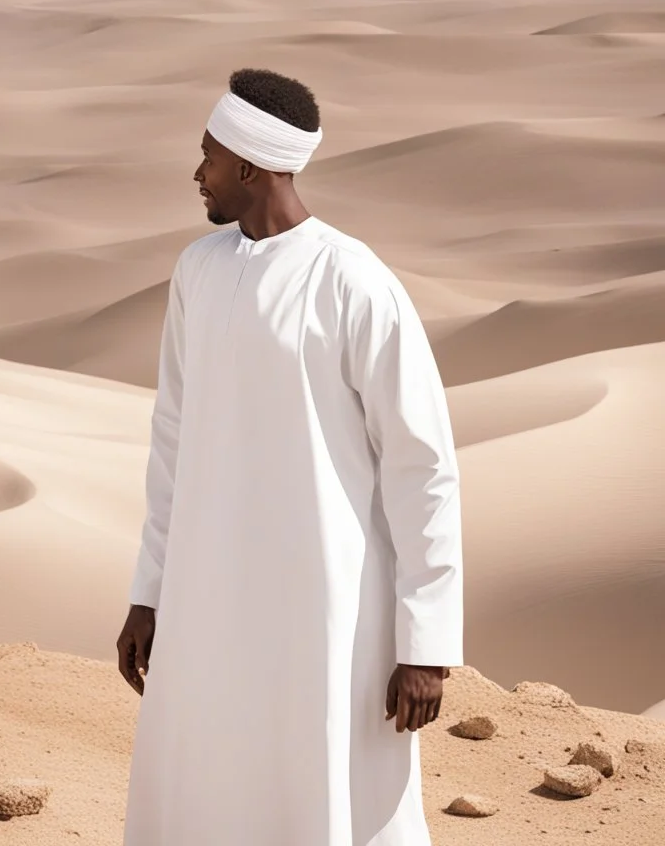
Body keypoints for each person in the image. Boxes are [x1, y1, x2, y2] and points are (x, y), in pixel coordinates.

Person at [117, 67, 463, 846]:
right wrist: (150, 594)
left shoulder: (353, 280)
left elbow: (423, 464)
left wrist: (427, 646)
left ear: (248, 164)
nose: (195, 173)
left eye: (207, 157)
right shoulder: (197, 272)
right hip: (208, 597)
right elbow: (171, 436)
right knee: (201, 778)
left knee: (322, 789)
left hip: (326, 608)